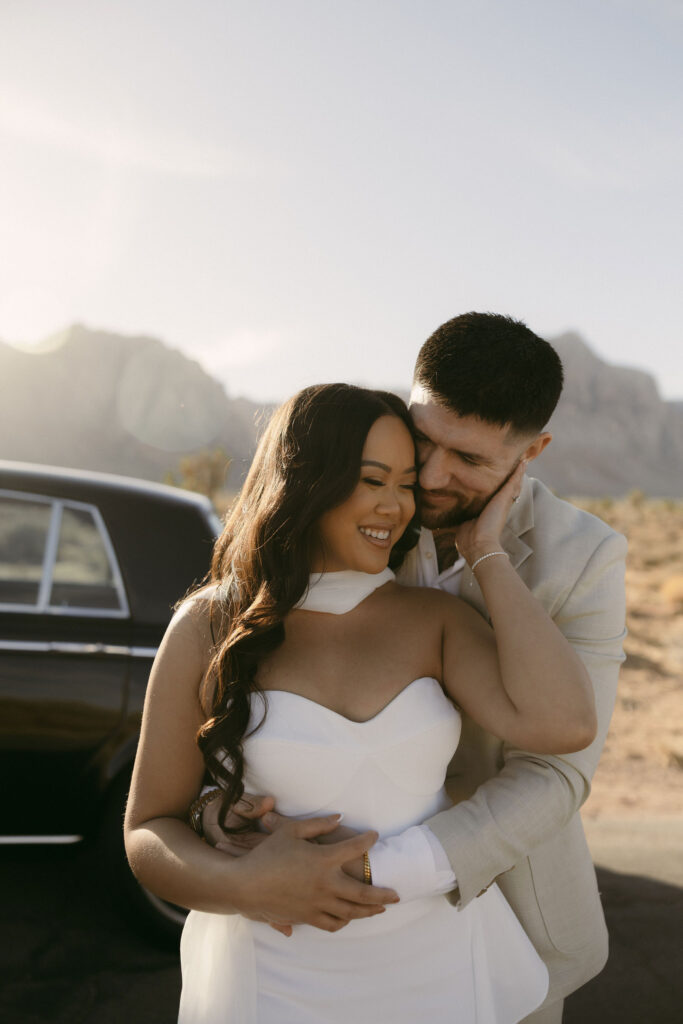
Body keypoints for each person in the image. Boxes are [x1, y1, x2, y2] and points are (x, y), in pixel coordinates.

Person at [197, 314, 628, 1024]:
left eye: (467, 460)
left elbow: (558, 768)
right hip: (293, 925)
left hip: (504, 908)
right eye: (422, 436)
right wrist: (221, 814)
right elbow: (237, 692)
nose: (428, 477)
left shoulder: (584, 560)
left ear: (533, 452)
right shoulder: (347, 506)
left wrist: (375, 869)